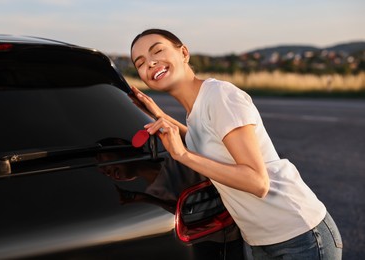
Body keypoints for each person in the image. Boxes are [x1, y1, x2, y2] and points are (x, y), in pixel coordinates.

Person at [129, 28, 343, 259]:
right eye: (140, 63)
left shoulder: (219, 96)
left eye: (158, 51)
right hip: (262, 240)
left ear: (184, 53)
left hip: (300, 235)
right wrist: (157, 114)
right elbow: (200, 138)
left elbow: (257, 182)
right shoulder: (196, 110)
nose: (150, 63)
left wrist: (182, 155)